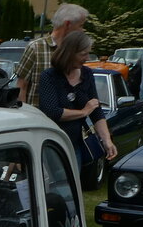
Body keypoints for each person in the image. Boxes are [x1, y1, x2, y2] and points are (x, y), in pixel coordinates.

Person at [37, 30, 117, 170]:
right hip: (51, 146)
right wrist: (83, 112)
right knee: (57, 189)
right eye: (83, 54)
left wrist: (107, 141)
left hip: (75, 145)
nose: (87, 58)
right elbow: (52, 112)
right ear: (70, 53)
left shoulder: (87, 74)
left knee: (72, 188)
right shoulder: (49, 77)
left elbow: (96, 111)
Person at [15, 3, 89, 107]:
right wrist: (24, 116)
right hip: (39, 119)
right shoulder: (36, 48)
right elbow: (21, 86)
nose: (82, 31)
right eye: (81, 26)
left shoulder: (74, 51)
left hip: (66, 119)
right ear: (68, 24)